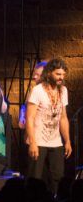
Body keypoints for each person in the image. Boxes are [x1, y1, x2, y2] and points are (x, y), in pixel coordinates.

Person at [25, 58, 72, 194]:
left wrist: (67, 140)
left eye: (63, 75)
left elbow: (63, 118)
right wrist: (32, 142)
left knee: (57, 177)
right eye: (58, 74)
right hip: (38, 140)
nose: (61, 77)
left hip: (55, 141)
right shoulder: (38, 90)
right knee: (36, 178)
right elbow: (30, 117)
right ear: (49, 72)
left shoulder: (63, 90)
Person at [19, 61, 48, 129]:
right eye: (35, 74)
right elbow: (24, 106)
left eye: (38, 75)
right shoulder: (35, 90)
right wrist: (22, 117)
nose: (34, 77)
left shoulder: (55, 91)